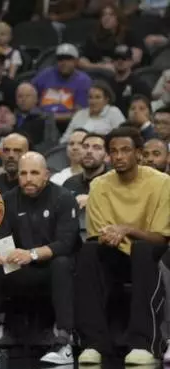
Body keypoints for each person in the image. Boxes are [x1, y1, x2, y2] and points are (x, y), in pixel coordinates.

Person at [76, 127, 170, 365]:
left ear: (138, 153)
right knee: (88, 252)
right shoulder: (99, 185)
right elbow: (101, 235)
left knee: (142, 249)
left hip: (151, 257)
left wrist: (127, 229)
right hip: (116, 256)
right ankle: (94, 344)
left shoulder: (162, 183)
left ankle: (143, 344)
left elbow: (161, 237)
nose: (118, 156)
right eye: (114, 151)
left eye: (125, 150)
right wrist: (112, 235)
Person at [0, 152, 79, 365]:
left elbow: (65, 244)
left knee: (62, 263)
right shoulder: (7, 200)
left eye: (34, 173)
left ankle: (64, 341)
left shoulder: (63, 198)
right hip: (18, 268)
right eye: (23, 173)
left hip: (51, 269)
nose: (28, 178)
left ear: (46, 174)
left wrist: (31, 254)